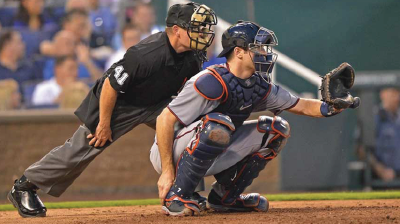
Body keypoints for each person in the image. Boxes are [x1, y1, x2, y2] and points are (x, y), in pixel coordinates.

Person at [7, 2, 217, 218]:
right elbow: (111, 84)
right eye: (196, 28)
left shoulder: (194, 54)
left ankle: (184, 190)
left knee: (190, 130)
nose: (202, 33)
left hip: (157, 102)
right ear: (176, 30)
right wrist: (104, 123)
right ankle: (24, 186)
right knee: (81, 149)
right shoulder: (145, 54)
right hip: (119, 102)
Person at [151, 21, 359, 216]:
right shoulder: (210, 81)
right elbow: (164, 120)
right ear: (239, 52)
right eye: (258, 48)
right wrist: (167, 171)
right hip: (170, 151)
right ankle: (177, 195)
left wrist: (333, 106)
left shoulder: (258, 86)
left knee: (276, 129)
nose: (265, 53)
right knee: (218, 124)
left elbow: (301, 105)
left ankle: (225, 197)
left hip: (213, 140)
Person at [358, 87, 400, 181]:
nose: (397, 98)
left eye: (398, 93)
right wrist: (381, 170)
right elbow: (361, 149)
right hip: (378, 180)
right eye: (393, 93)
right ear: (383, 94)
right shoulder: (373, 117)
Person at [0, 30, 42, 100]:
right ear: (7, 45)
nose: (23, 45)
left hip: (27, 109)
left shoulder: (29, 67)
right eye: (19, 42)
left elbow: (39, 90)